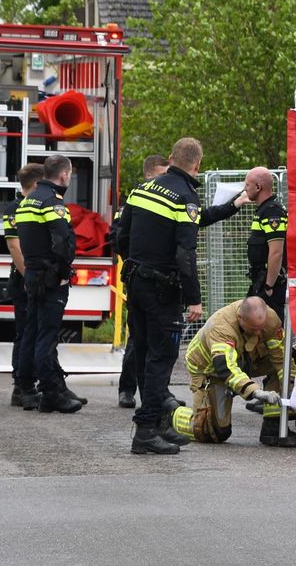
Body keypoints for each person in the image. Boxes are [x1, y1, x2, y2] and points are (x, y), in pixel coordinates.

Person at [114, 137, 247, 454]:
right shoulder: (184, 197)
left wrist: (232, 206)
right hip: (162, 290)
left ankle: (159, 422)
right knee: (161, 359)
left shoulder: (142, 190)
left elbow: (121, 237)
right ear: (197, 165)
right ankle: (146, 431)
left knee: (146, 354)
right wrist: (194, 298)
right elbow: (185, 253)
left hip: (136, 282)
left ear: (172, 158)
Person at [169, 296, 296, 447]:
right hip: (211, 370)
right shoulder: (221, 326)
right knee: (214, 432)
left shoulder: (270, 319)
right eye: (254, 329)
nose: (259, 333)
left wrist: (292, 387)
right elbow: (226, 367)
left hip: (246, 359)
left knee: (284, 365)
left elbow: (281, 358)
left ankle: (274, 426)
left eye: (262, 328)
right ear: (240, 317)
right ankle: (171, 414)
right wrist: (255, 392)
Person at [15, 155, 84, 414]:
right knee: (47, 335)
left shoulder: (27, 201)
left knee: (31, 332)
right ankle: (51, 392)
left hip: (32, 274)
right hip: (51, 276)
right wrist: (65, 272)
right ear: (64, 175)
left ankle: (27, 387)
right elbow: (63, 241)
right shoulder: (52, 203)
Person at [115, 154, 170, 409]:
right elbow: (119, 237)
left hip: (155, 278)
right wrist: (133, 264)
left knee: (155, 342)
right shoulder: (135, 199)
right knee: (137, 339)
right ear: (149, 174)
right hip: (139, 276)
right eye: (162, 175)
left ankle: (157, 393)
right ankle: (127, 389)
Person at [5, 162, 46, 410]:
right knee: (25, 333)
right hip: (23, 281)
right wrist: (29, 277)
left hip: (36, 279)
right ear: (35, 184)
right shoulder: (15, 207)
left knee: (38, 331)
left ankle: (42, 384)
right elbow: (14, 247)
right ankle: (20, 387)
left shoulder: (37, 204)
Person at [243, 167, 287, 321]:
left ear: (258, 187)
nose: (245, 189)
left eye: (247, 185)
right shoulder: (263, 211)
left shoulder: (272, 212)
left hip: (269, 286)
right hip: (259, 282)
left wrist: (269, 286)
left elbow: (276, 252)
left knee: (271, 329)